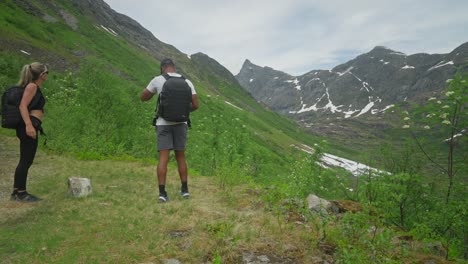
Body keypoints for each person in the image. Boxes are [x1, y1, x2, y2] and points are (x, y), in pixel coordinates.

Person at [140, 58, 199, 203]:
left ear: (162, 68)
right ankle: (185, 191)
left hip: (163, 123)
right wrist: (183, 112)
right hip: (181, 123)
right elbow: (196, 105)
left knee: (163, 158)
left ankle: (162, 194)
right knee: (181, 157)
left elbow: (143, 97)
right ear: (174, 68)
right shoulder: (187, 82)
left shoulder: (158, 79)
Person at [10, 62, 48, 202]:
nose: (47, 75)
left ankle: (16, 191)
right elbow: (22, 106)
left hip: (31, 125)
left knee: (25, 159)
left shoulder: (34, 86)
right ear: (41, 75)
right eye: (46, 72)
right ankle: (21, 193)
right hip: (28, 126)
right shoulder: (32, 86)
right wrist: (29, 125)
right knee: (26, 160)